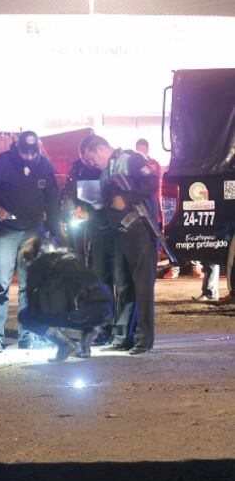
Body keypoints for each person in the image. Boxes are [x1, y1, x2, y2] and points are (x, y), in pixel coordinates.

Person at [0, 131, 60, 353]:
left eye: (34, 152)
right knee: (0, 285)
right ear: (17, 147)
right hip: (6, 231)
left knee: (29, 286)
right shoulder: (1, 163)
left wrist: (53, 229)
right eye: (25, 151)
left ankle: (27, 335)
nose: (30, 156)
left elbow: (53, 199)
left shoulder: (44, 165)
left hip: (32, 231)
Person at [79, 134, 159, 355]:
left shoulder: (129, 159)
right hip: (120, 234)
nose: (90, 164)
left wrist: (128, 197)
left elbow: (151, 181)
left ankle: (144, 340)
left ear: (99, 149)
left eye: (90, 159)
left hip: (140, 230)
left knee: (142, 287)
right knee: (123, 285)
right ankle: (122, 336)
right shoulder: (107, 172)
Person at [18, 237, 113, 362]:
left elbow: (33, 305)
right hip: (103, 312)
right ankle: (86, 343)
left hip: (75, 313)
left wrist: (49, 324)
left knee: (26, 316)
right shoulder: (71, 258)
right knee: (84, 308)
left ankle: (64, 344)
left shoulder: (36, 267)